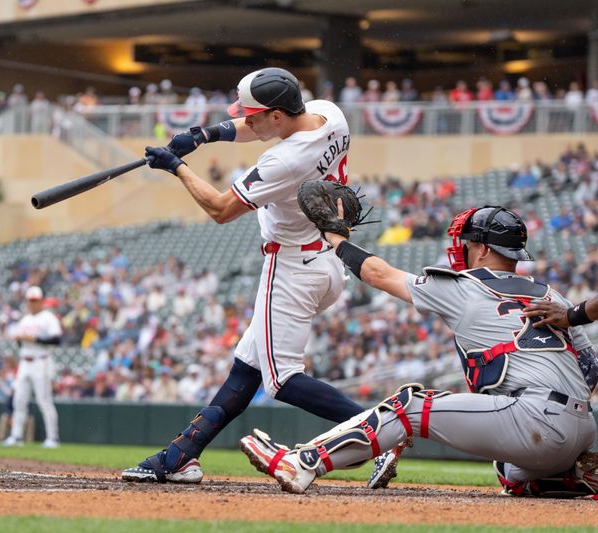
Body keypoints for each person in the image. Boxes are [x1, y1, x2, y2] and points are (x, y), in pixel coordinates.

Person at [121, 67, 374, 484]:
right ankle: (181, 456)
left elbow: (221, 210)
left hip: (292, 265)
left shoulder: (286, 160)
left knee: (282, 381)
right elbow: (255, 126)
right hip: (321, 258)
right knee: (246, 369)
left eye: (254, 115)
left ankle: (381, 430)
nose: (248, 121)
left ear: (277, 115)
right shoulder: (329, 114)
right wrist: (207, 135)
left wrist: (177, 167)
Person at [240, 202, 598, 496]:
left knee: (408, 406)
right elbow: (591, 371)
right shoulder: (554, 297)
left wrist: (336, 239)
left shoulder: (466, 287)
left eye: (468, 243)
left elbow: (380, 274)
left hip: (535, 421)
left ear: (483, 249)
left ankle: (303, 462)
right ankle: (566, 476)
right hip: (583, 429)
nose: (462, 249)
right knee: (507, 468)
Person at [3, 286, 63, 449]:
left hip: (41, 361)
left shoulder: (48, 317)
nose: (33, 303)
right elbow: (20, 342)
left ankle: (52, 438)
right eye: (30, 300)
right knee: (19, 401)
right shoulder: (25, 319)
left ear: (42, 301)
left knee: (44, 401)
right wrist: (18, 338)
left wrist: (34, 338)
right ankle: (16, 436)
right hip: (24, 362)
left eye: (35, 300)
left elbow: (57, 340)